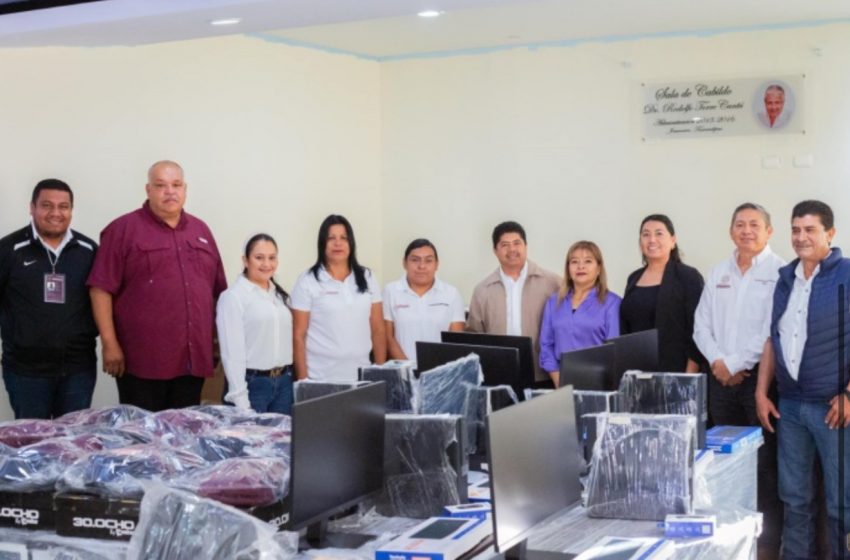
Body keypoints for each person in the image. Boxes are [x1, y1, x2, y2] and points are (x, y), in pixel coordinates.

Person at [87, 160, 227, 412]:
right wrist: (109, 343)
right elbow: (100, 288)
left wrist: (218, 344)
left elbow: (218, 294)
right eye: (161, 185)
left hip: (192, 361)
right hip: (142, 362)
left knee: (185, 438)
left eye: (176, 185)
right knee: (142, 440)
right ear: (148, 189)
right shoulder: (123, 229)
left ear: (185, 189)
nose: (170, 191)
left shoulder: (201, 230)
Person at [756, 200, 850, 560]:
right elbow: (772, 338)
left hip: (833, 408)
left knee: (842, 502)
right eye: (796, 229)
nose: (801, 237)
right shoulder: (785, 279)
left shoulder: (846, 275)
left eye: (810, 229)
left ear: (830, 233)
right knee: (794, 499)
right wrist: (763, 393)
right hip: (790, 407)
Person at [693, 202, 785, 557]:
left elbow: (771, 329)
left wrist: (733, 363)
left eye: (754, 225)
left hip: (759, 383)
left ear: (769, 232)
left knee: (764, 468)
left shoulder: (780, 272)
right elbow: (701, 325)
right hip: (721, 384)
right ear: (731, 230)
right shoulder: (718, 272)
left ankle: (765, 545)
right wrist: (718, 362)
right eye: (740, 224)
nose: (746, 230)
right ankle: (731, 542)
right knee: (725, 466)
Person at [0, 179, 98, 419]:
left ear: (71, 210)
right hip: (26, 371)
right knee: (33, 445)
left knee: (75, 443)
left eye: (63, 206)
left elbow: (101, 302)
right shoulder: (8, 250)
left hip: (78, 369)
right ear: (32, 207)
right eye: (46, 205)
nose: (56, 213)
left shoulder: (88, 250)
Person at [291, 214, 386, 382]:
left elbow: (378, 330)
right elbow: (298, 335)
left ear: (351, 243)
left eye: (344, 238)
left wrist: (380, 373)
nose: (338, 243)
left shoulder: (367, 277)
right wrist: (303, 381)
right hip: (320, 378)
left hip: (362, 376)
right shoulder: (307, 280)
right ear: (322, 244)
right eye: (331, 238)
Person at [467, 221, 560, 384]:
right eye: (505, 245)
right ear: (495, 250)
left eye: (517, 243)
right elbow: (475, 335)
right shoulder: (482, 290)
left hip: (543, 374)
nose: (512, 249)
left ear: (526, 246)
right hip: (498, 375)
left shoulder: (552, 283)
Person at [216, 233, 293, 414]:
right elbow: (231, 353)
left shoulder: (280, 296)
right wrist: (240, 399)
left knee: (281, 441)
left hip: (284, 383)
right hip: (253, 386)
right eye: (259, 258)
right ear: (245, 260)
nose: (267, 264)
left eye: (272, 258)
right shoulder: (233, 297)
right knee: (251, 441)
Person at [621, 214, 704, 372]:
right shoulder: (633, 278)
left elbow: (697, 328)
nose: (652, 240)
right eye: (646, 234)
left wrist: (689, 376)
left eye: (659, 233)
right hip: (638, 373)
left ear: (673, 241)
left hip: (676, 371)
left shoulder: (688, 276)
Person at [539, 241, 621, 387]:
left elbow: (614, 350)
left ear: (598, 268)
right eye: (574, 261)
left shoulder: (612, 303)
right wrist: (558, 379)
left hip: (599, 383)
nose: (580, 266)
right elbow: (546, 345)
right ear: (568, 269)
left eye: (588, 261)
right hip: (560, 381)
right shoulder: (553, 302)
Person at [383, 239, 465, 362]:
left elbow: (454, 341)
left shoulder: (451, 293)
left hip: (441, 372)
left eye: (428, 260)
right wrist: (408, 368)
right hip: (402, 370)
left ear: (437, 264)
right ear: (404, 263)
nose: (422, 266)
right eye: (415, 260)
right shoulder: (390, 291)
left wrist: (437, 371)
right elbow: (387, 337)